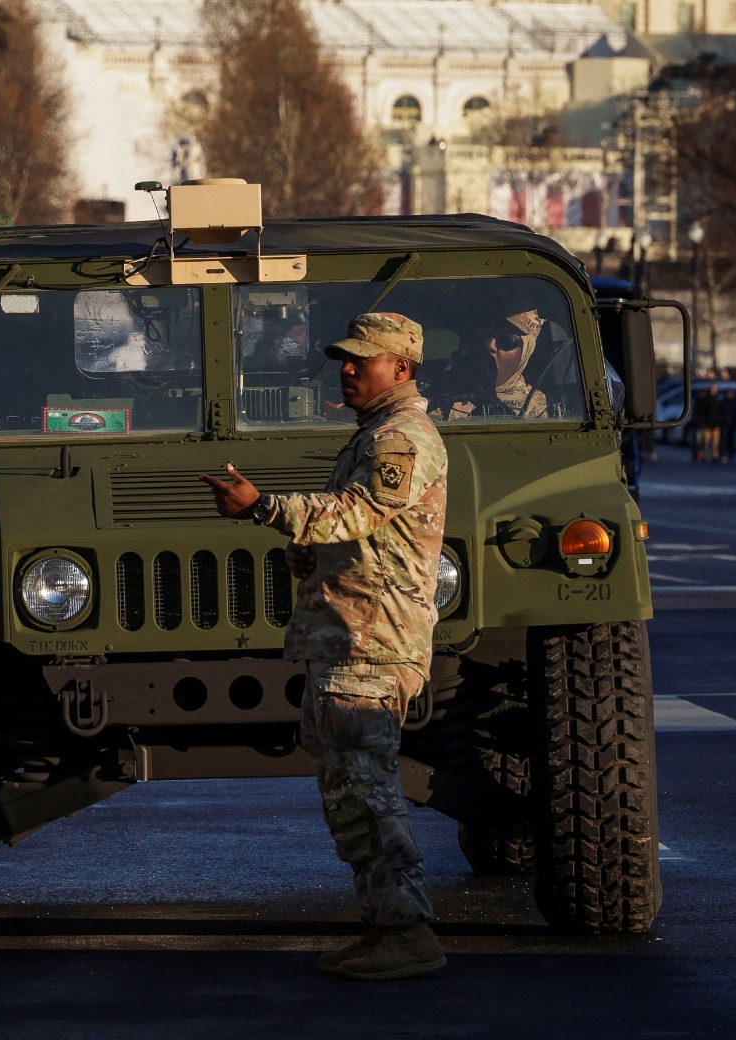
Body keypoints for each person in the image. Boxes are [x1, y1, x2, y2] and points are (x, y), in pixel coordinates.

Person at [200, 312, 448, 981]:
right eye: (344, 358)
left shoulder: (402, 438)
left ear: (402, 367)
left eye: (362, 359)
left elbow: (363, 511)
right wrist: (313, 556)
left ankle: (408, 932)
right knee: (348, 790)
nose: (347, 369)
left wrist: (264, 508)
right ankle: (384, 924)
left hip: (373, 643)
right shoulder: (374, 434)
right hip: (349, 636)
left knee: (367, 791)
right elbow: (364, 536)